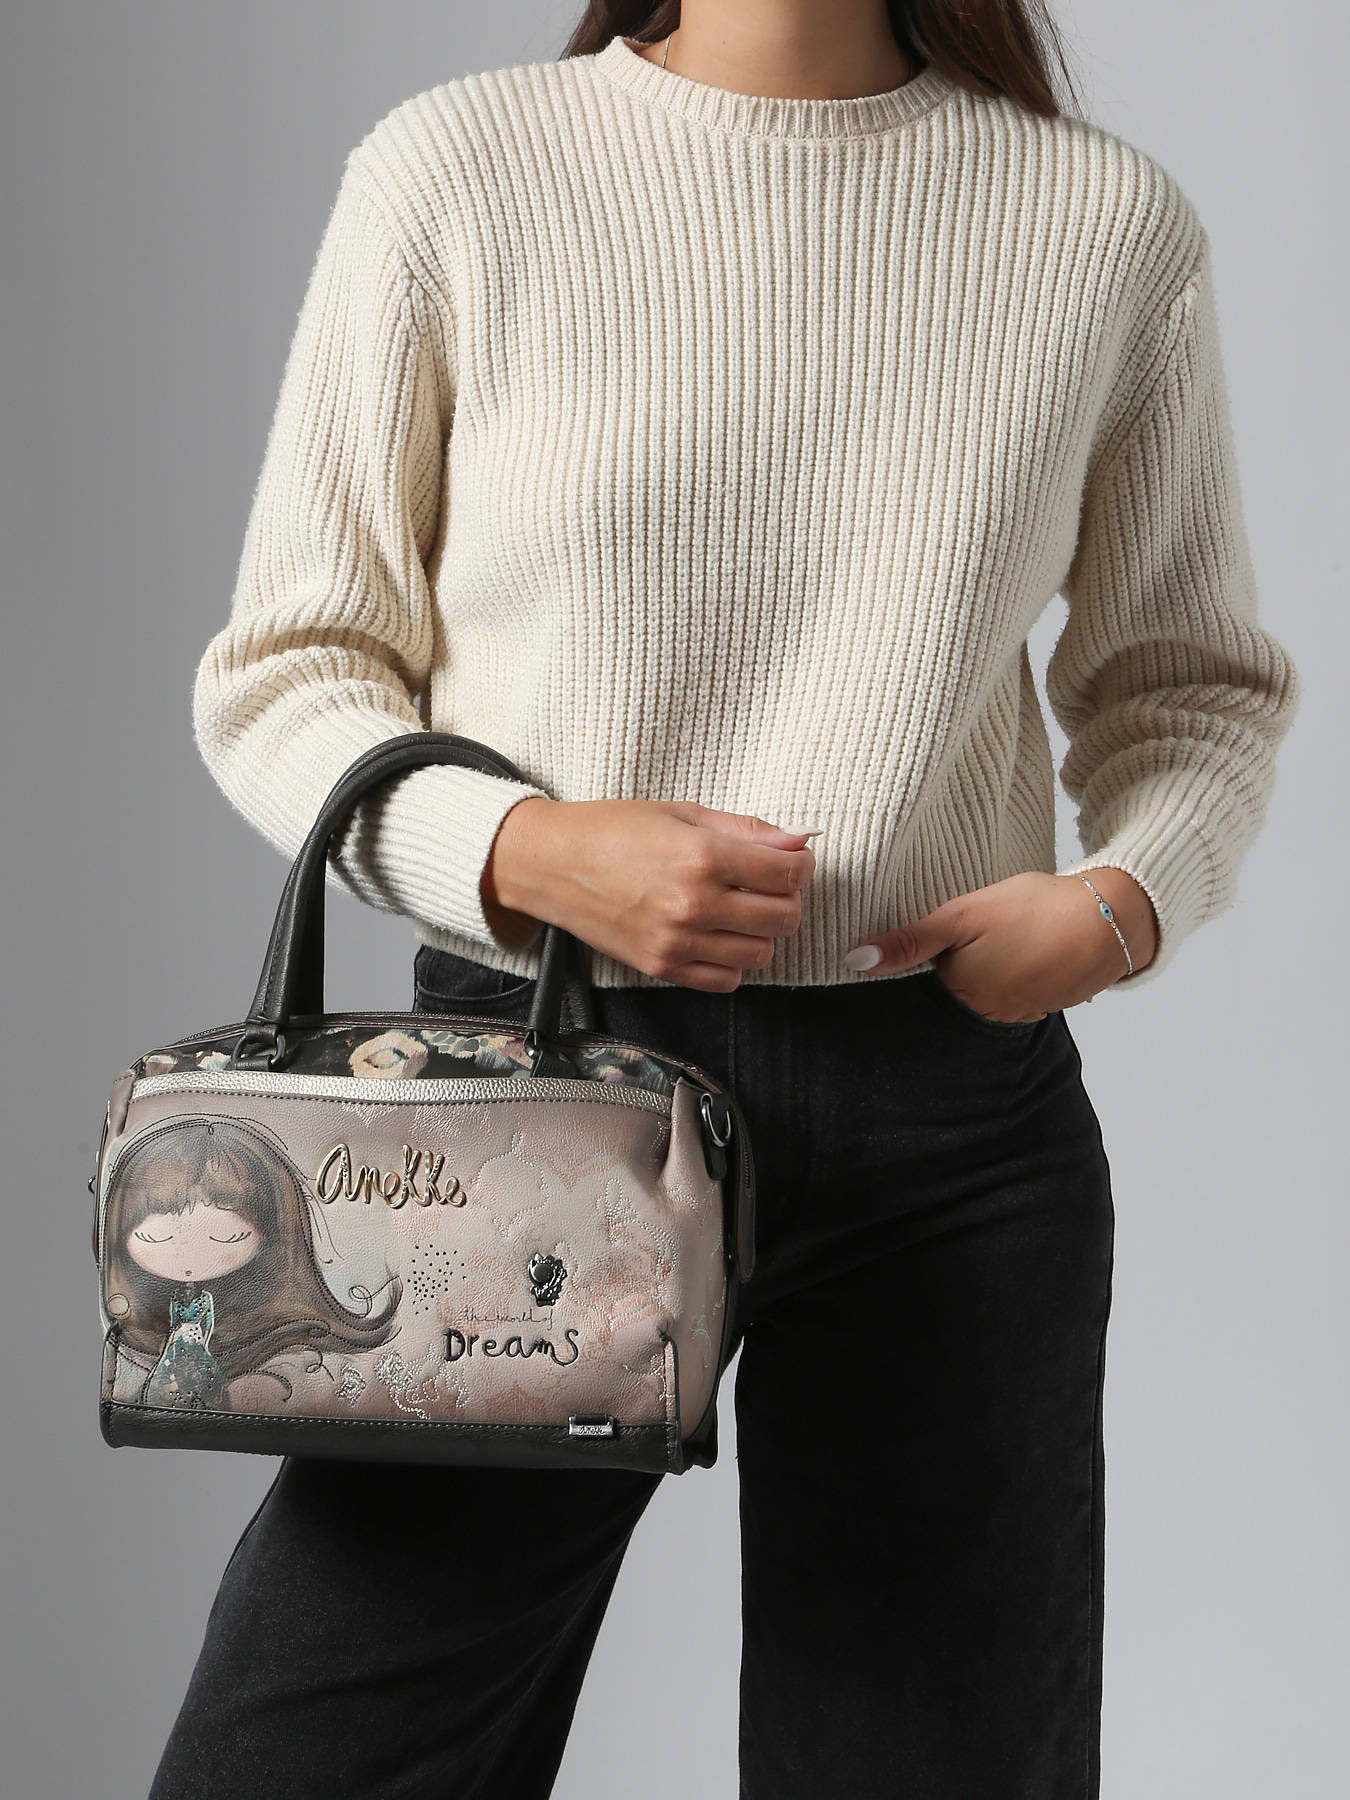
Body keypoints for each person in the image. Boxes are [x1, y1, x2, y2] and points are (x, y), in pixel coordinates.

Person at [152, 3, 1301, 1796]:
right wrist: (523, 851)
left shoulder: (1097, 224)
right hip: (526, 1102)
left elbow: (1192, 687)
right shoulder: (462, 172)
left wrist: (1117, 906)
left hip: (947, 1129)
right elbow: (288, 670)